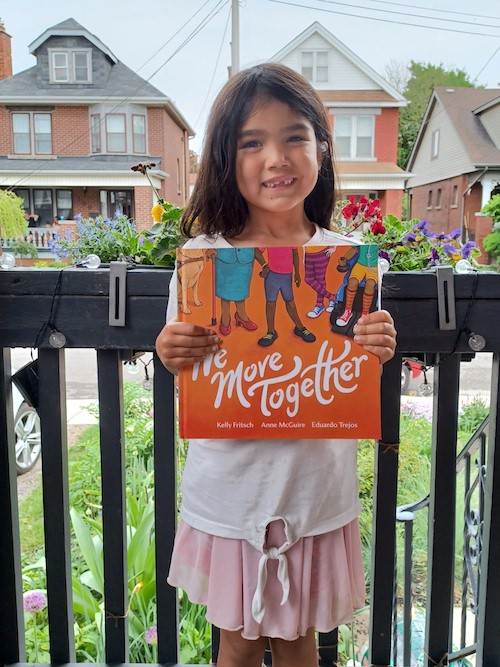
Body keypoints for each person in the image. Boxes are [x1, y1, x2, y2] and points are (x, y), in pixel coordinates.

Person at [155, 63, 397, 667]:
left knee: (300, 641)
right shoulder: (202, 263)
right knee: (234, 644)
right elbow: (181, 357)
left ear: (321, 146)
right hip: (231, 495)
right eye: (251, 142)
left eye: (294, 136)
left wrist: (379, 342)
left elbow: (356, 360)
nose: (276, 158)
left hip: (315, 493)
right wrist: (170, 352)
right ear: (224, 158)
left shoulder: (348, 260)